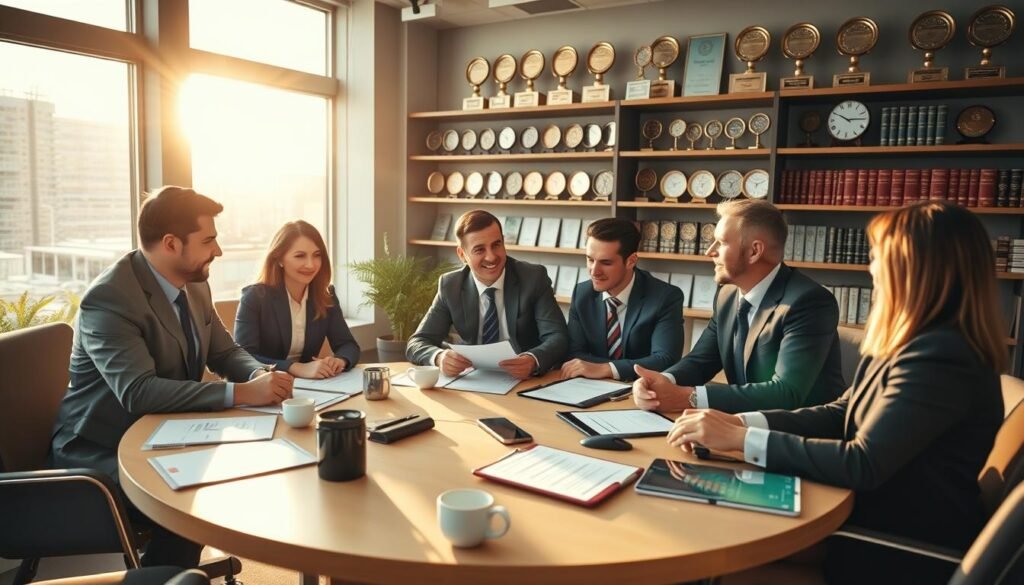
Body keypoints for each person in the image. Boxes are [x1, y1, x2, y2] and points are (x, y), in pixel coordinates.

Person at [670, 201, 1005, 584]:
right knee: (712, 535)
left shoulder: (942, 356)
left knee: (708, 564)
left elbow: (864, 463)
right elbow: (841, 412)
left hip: (895, 546)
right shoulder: (911, 343)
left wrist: (743, 440)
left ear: (916, 270)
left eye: (879, 257)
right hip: (864, 518)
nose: (871, 268)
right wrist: (740, 423)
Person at [50, 186, 294, 567]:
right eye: (209, 240)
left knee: (252, 469)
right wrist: (244, 394)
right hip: (102, 447)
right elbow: (138, 392)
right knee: (187, 503)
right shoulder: (110, 299)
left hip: (169, 432)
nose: (219, 251)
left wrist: (262, 376)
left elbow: (224, 351)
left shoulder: (194, 281)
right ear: (170, 243)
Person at [633, 199, 844, 413]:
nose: (709, 251)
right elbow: (701, 360)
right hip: (739, 424)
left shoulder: (809, 302)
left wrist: (690, 398)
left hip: (799, 435)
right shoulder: (727, 294)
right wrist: (663, 381)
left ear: (754, 251)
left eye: (721, 242)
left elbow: (786, 392)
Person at [406, 210, 568, 379]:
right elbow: (417, 342)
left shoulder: (533, 278)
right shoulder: (451, 285)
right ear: (462, 255)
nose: (491, 257)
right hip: (474, 379)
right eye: (479, 250)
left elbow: (557, 336)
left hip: (524, 380)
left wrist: (533, 359)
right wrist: (439, 357)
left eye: (496, 245)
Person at [561, 217, 684, 381]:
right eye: (590, 260)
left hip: (641, 390)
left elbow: (664, 359)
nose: (594, 271)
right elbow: (574, 354)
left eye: (606, 262)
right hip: (590, 388)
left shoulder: (665, 297)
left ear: (631, 261)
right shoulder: (582, 293)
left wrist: (606, 368)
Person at [235, 220, 360, 378]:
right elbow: (243, 358)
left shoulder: (325, 295)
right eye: (300, 256)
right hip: (264, 386)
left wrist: (340, 360)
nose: (310, 265)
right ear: (279, 259)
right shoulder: (254, 298)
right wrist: (295, 367)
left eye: (316, 255)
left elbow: (348, 345)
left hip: (312, 388)